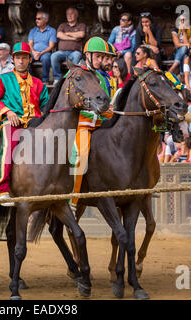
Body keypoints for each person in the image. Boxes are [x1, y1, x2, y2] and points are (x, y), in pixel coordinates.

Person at [0, 42, 49, 204]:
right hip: (11, 123)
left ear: (29, 60)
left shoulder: (39, 83)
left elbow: (46, 106)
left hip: (35, 124)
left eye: (25, 58)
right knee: (8, 146)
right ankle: (2, 189)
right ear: (13, 59)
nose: (21, 61)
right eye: (18, 58)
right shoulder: (2, 79)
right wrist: (8, 111)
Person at [69, 37, 114, 210]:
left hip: (99, 125)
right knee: (79, 155)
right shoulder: (75, 74)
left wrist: (109, 110)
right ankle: (71, 201)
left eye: (103, 57)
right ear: (87, 55)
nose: (101, 61)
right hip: (79, 125)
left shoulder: (101, 78)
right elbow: (72, 105)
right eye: (98, 57)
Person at [51, 7, 86, 84]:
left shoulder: (81, 25)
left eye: (71, 14)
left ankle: (73, 78)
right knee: (54, 56)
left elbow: (81, 34)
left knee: (77, 56)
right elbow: (59, 35)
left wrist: (67, 34)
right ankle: (57, 79)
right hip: (62, 52)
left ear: (76, 15)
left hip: (75, 52)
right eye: (68, 14)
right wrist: (74, 38)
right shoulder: (63, 25)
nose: (69, 16)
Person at [28, 11, 57, 83]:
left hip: (45, 52)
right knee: (26, 58)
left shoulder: (52, 31)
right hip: (33, 52)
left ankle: (45, 80)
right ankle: (30, 80)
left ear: (46, 20)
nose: (36, 20)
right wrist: (34, 52)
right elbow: (30, 44)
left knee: (46, 58)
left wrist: (40, 53)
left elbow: (51, 46)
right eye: (36, 19)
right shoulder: (33, 31)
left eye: (39, 19)